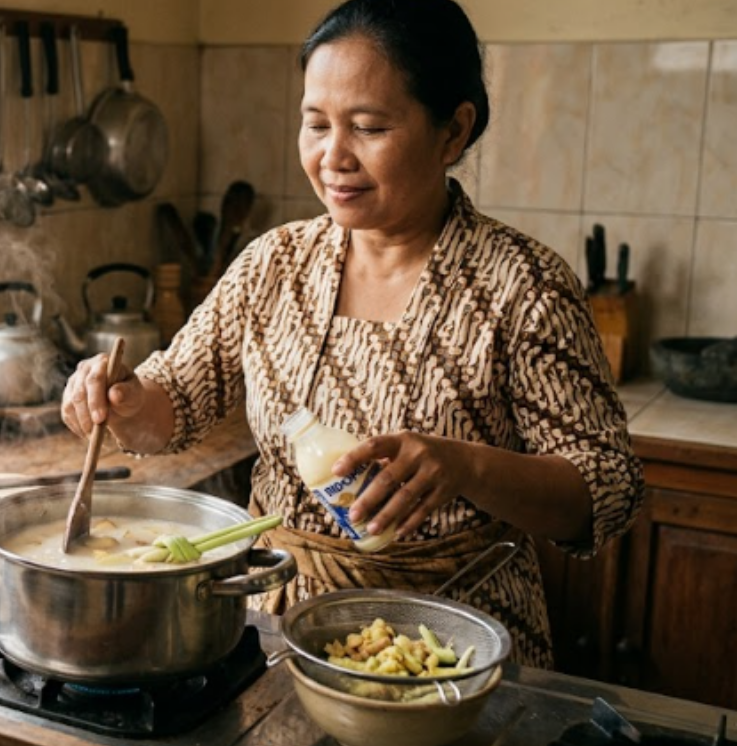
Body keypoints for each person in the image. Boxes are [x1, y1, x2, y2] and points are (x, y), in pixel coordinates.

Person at [61, 0, 643, 669]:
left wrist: (466, 466)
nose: (332, 157)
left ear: (452, 132)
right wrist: (126, 401)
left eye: (368, 127)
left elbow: (607, 486)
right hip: (276, 633)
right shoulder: (273, 263)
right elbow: (173, 407)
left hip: (458, 647)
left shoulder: (524, 286)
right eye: (315, 125)